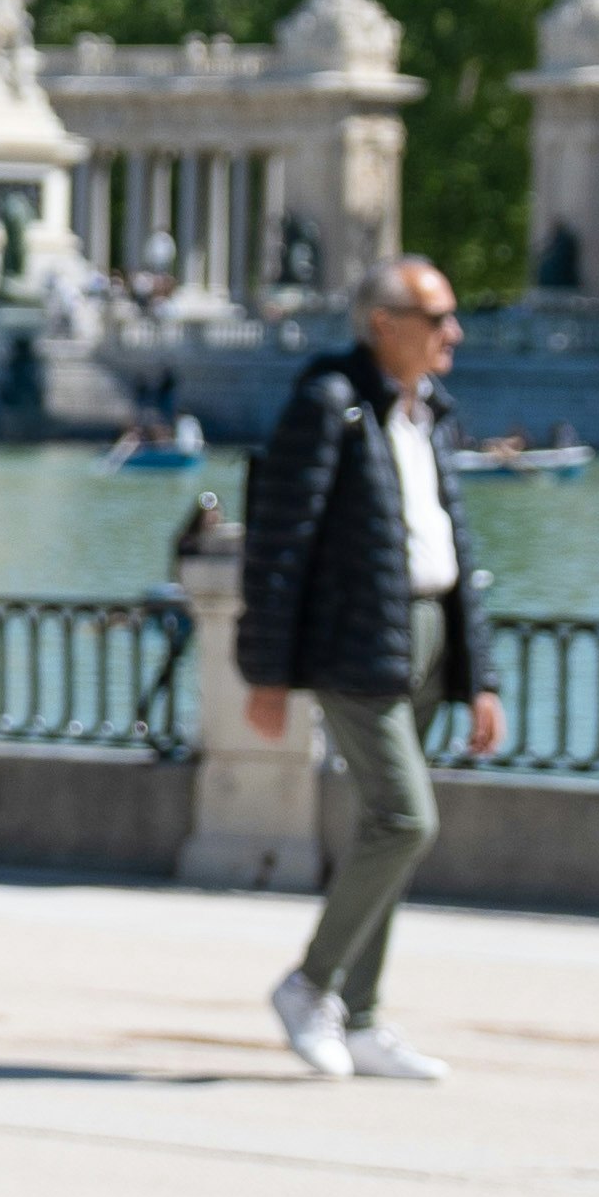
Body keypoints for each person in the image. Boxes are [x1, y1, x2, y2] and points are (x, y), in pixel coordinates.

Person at [234, 256, 507, 1086]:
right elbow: (280, 548)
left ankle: (360, 1017)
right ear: (384, 324)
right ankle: (309, 985)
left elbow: (455, 550)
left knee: (385, 830)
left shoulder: (428, 413)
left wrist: (479, 677)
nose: (453, 333)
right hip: (356, 644)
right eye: (437, 318)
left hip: (422, 634)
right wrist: (267, 674)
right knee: (404, 822)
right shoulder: (328, 405)